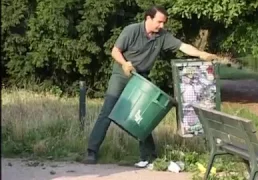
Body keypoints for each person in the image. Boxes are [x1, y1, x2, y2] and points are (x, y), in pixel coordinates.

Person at [83, 5, 220, 168]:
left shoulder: (162, 36)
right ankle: (92, 152)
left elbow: (182, 46)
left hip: (141, 77)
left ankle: (149, 156)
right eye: (159, 22)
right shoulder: (131, 30)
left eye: (164, 23)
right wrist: (124, 63)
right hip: (122, 75)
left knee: (142, 117)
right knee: (107, 112)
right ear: (148, 18)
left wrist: (201, 54)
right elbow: (115, 51)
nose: (162, 26)